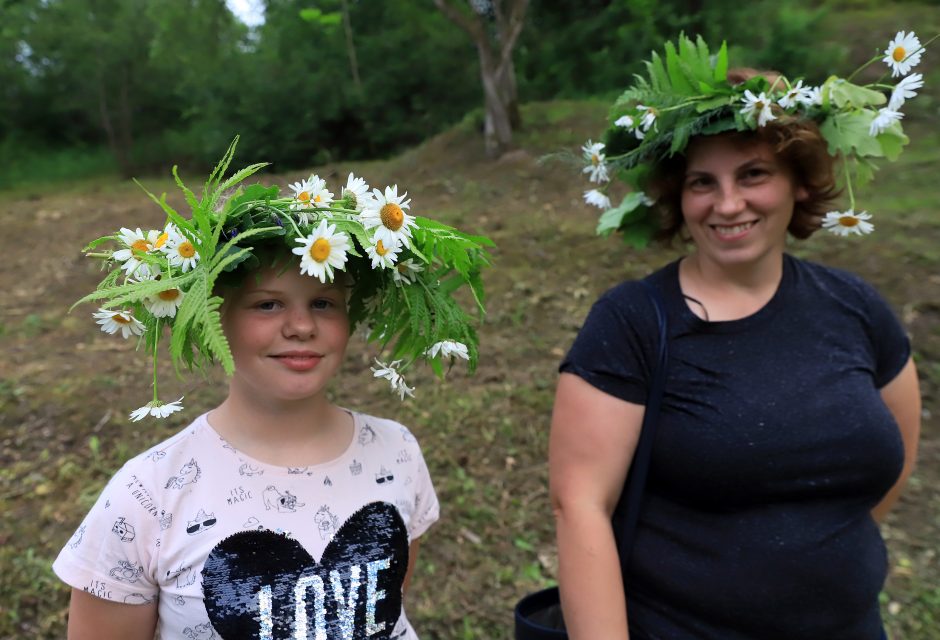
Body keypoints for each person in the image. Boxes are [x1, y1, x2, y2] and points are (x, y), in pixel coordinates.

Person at [550, 34, 924, 639]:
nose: (728, 204)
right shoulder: (634, 323)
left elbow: (894, 459)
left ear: (798, 184)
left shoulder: (855, 307)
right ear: (679, 196)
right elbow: (580, 506)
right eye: (703, 182)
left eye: (753, 174)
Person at [52, 140, 491, 639]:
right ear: (212, 315)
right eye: (267, 305)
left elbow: (386, 604)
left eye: (324, 302)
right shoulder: (149, 495)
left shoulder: (396, 452)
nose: (301, 326)